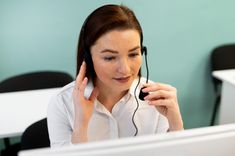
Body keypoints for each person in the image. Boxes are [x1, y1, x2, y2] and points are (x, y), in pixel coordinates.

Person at [47, 4, 184, 148]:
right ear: (88, 58)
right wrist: (80, 126)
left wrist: (176, 125)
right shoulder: (62, 103)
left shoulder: (155, 98)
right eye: (110, 58)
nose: (125, 69)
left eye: (133, 54)